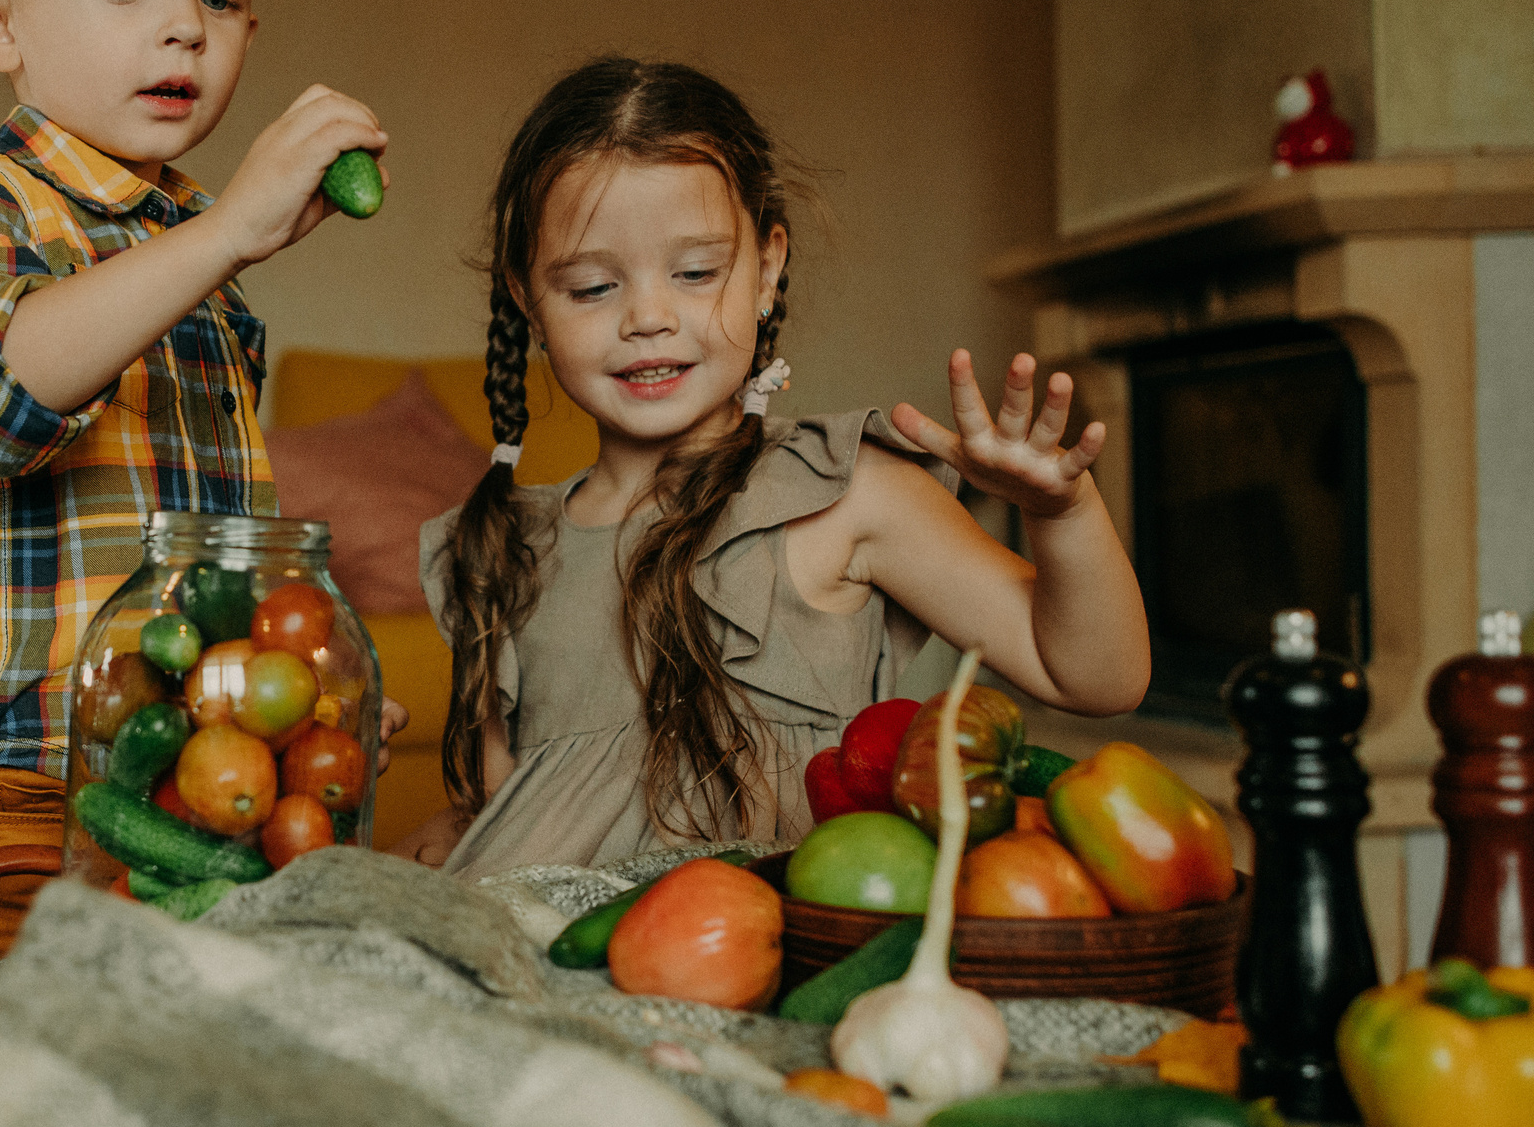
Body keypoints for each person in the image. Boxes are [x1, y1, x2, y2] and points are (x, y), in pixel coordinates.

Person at [408, 57, 1149, 881]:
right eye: (591, 287)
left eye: (695, 273)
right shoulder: (505, 544)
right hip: (544, 966)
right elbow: (510, 808)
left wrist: (1064, 513)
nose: (649, 318)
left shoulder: (845, 495)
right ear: (526, 300)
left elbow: (1097, 677)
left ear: (766, 267)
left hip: (768, 956)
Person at [0, 0, 390, 955]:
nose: (183, 31)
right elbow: (0, 408)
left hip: (196, 766)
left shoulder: (190, 252)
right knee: (42, 1037)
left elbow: (211, 560)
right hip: (30, 775)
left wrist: (285, 692)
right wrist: (221, 240)